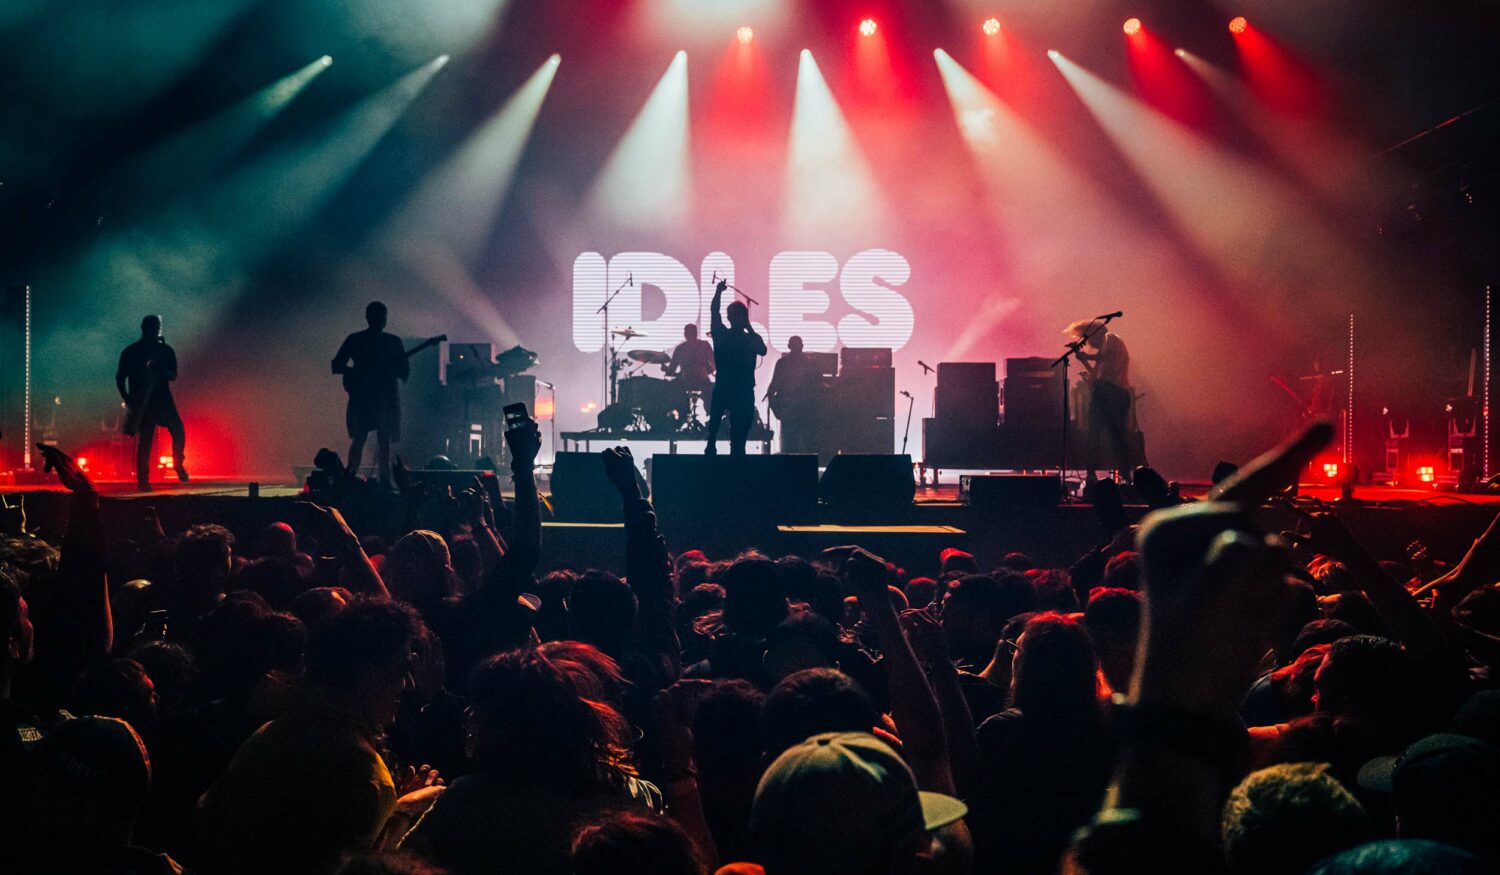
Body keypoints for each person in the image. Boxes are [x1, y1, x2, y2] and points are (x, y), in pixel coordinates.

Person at [332, 302, 409, 485]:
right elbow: (337, 365)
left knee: (381, 442)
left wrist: (387, 370)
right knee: (363, 440)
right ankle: (353, 477)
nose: (380, 319)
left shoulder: (386, 341)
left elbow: (403, 370)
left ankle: (380, 479)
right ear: (369, 317)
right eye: (378, 315)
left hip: (381, 400)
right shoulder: (365, 340)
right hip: (366, 399)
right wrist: (357, 373)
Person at [117, 315, 188, 490]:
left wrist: (160, 370)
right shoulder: (132, 351)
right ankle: (143, 480)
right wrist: (128, 399)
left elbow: (173, 375)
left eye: (156, 327)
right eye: (152, 327)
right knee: (146, 440)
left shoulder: (164, 351)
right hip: (144, 401)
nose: (154, 330)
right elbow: (120, 377)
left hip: (162, 400)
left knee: (176, 430)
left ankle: (176, 463)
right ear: (144, 328)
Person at [704, 280, 766, 456]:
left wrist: (749, 328)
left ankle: (722, 450)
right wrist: (718, 293)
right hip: (732, 386)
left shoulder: (739, 337)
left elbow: (762, 350)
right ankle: (714, 447)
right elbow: (714, 312)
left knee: (735, 429)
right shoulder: (725, 335)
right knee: (718, 424)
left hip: (737, 387)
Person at [1065, 318, 1133, 477]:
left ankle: (1122, 476)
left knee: (1109, 436)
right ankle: (1096, 475)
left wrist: (1086, 357)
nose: (1088, 343)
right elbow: (1098, 378)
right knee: (1100, 435)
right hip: (1108, 392)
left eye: (1087, 338)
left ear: (1094, 334)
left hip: (1114, 393)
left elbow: (1107, 357)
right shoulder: (1104, 350)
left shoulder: (1110, 337)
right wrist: (1084, 362)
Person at [766, 336, 820, 455]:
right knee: (804, 443)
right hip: (802, 408)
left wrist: (774, 405)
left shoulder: (783, 363)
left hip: (791, 408)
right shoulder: (809, 364)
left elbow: (774, 385)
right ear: (802, 346)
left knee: (791, 442)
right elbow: (817, 388)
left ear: (789, 346)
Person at [667, 323, 715, 393]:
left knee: (671, 389)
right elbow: (714, 362)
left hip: (687, 381)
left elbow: (672, 369)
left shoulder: (680, 348)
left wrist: (666, 369)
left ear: (685, 334)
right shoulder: (705, 345)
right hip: (700, 381)